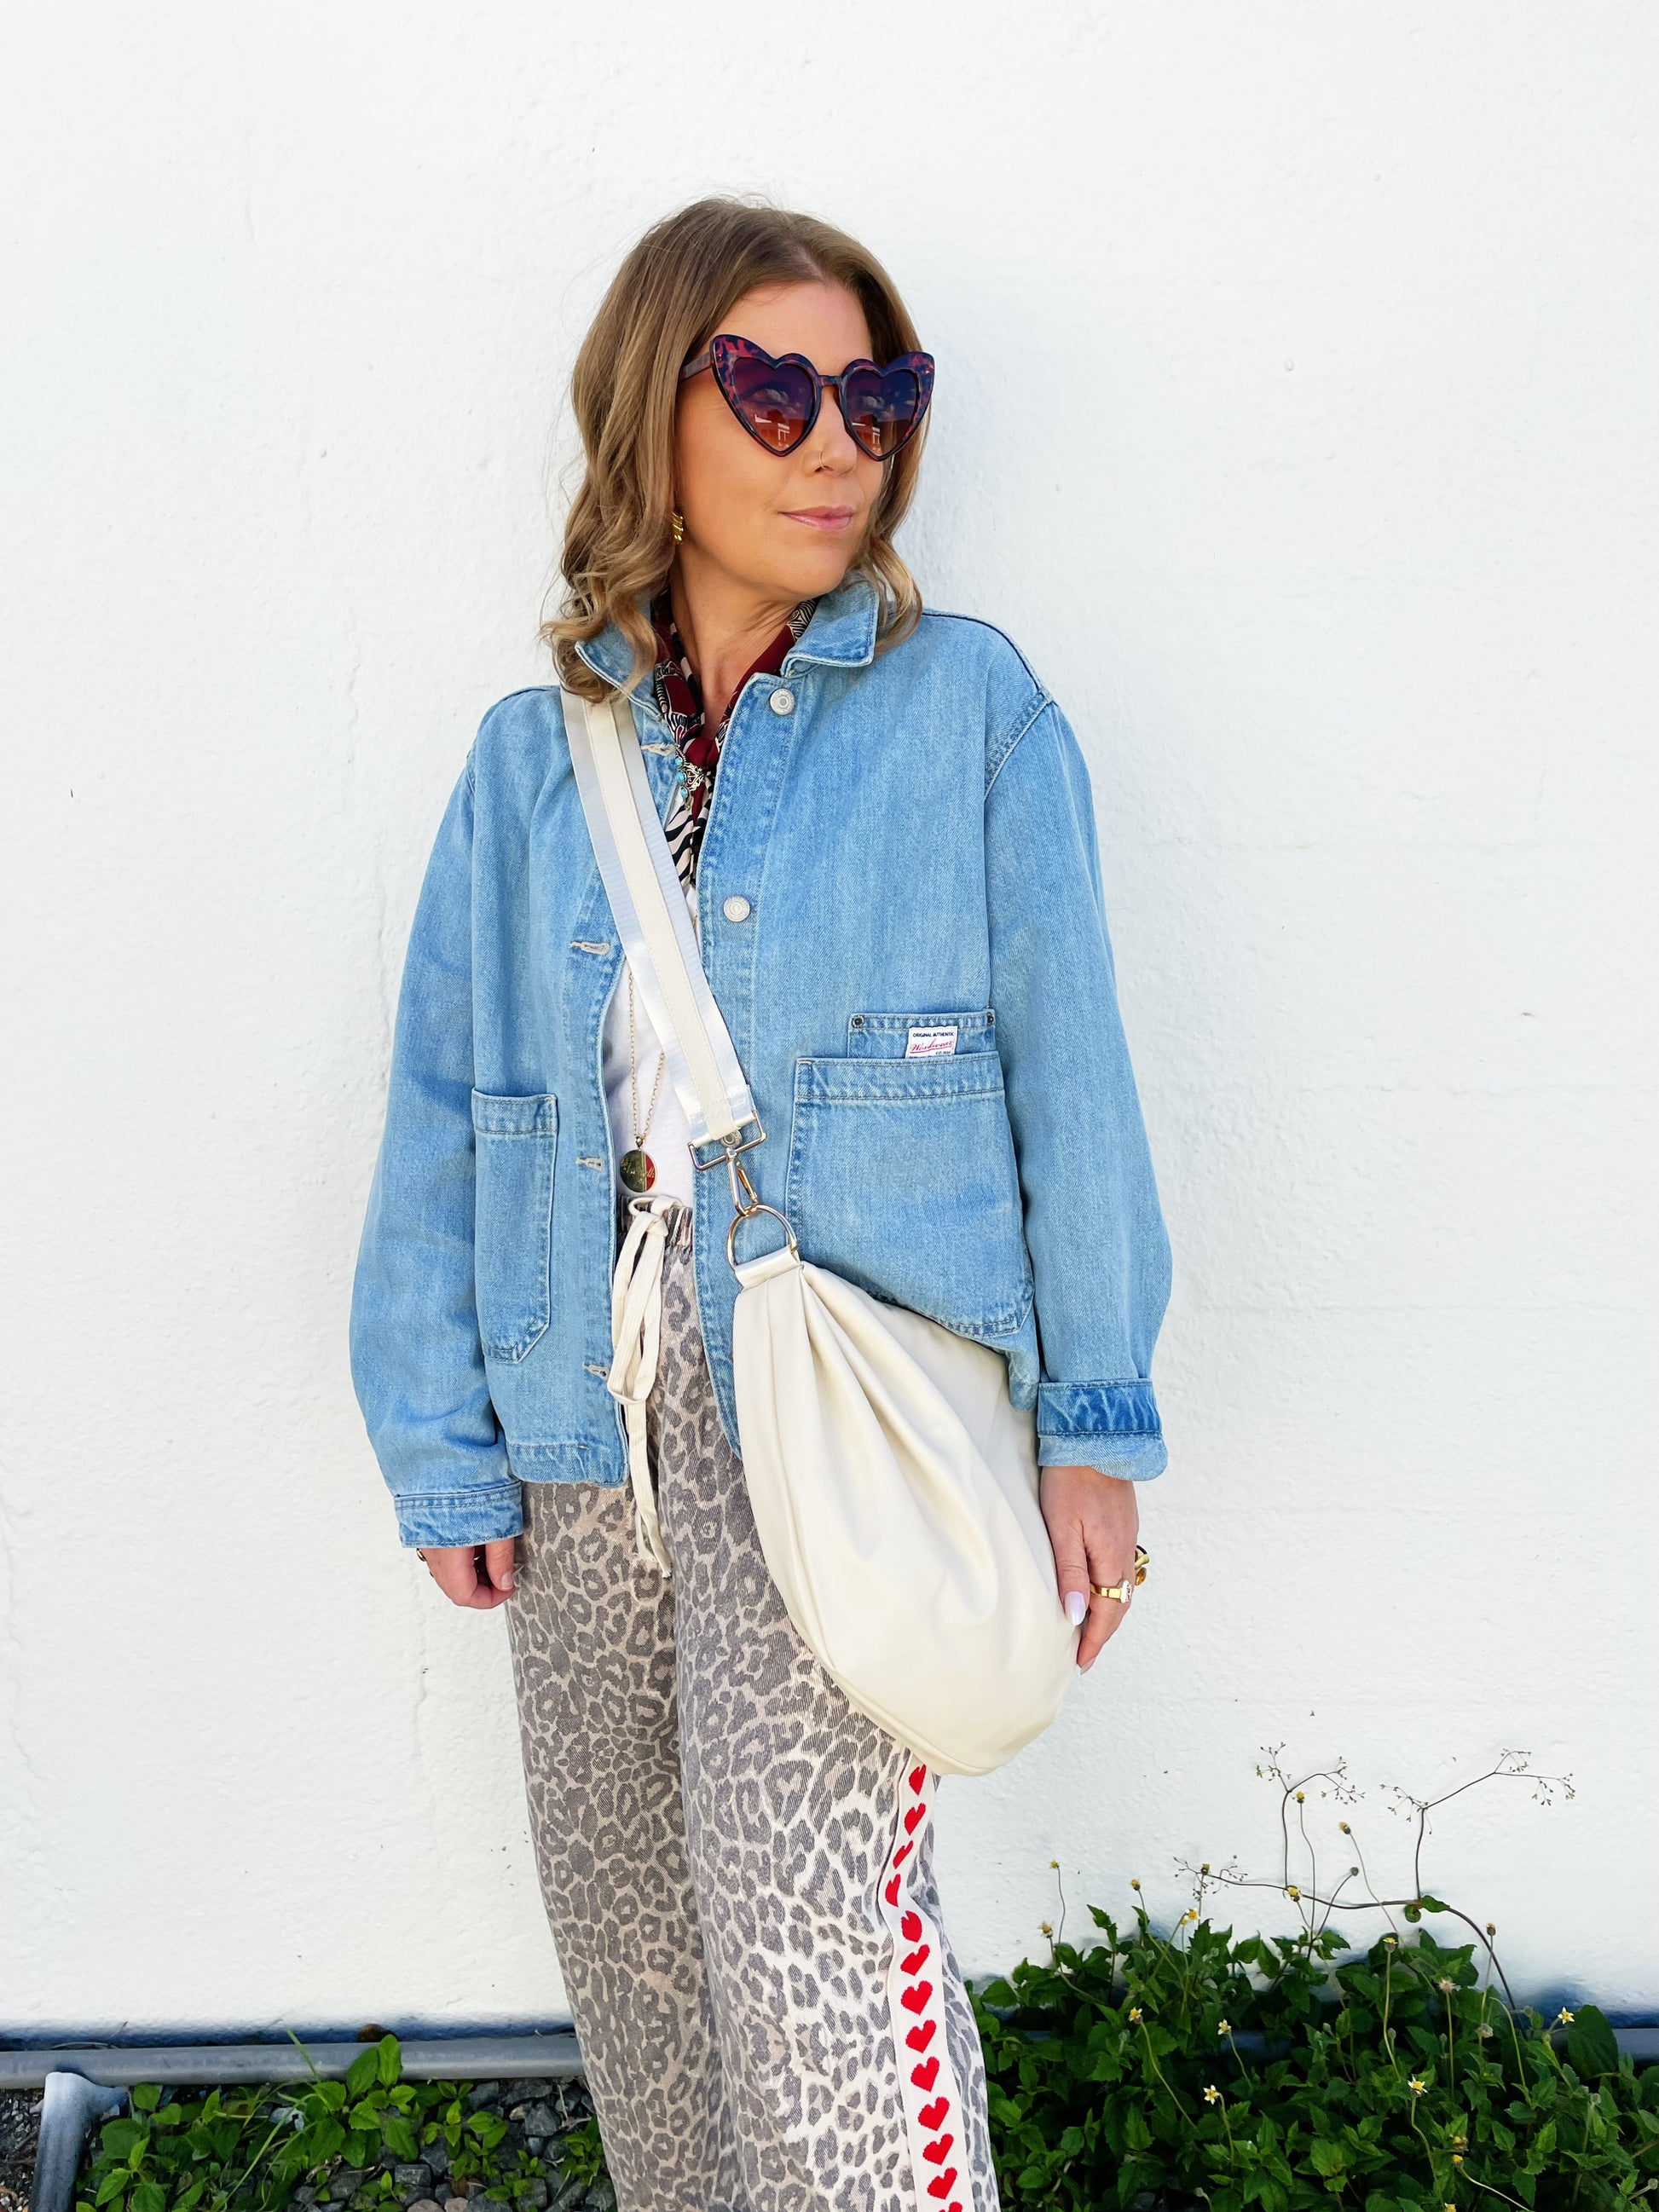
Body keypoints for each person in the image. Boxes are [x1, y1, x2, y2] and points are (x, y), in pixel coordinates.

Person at [350, 196, 1171, 2212]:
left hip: (836, 1410)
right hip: (579, 1406)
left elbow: (1073, 1080)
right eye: (773, 391)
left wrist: (1093, 1420)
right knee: (634, 1949)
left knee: (809, 1949)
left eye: (873, 397)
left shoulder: (966, 711)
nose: (836, 445)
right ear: (657, 412)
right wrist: (442, 1443)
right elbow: (449, 1110)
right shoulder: (531, 762)